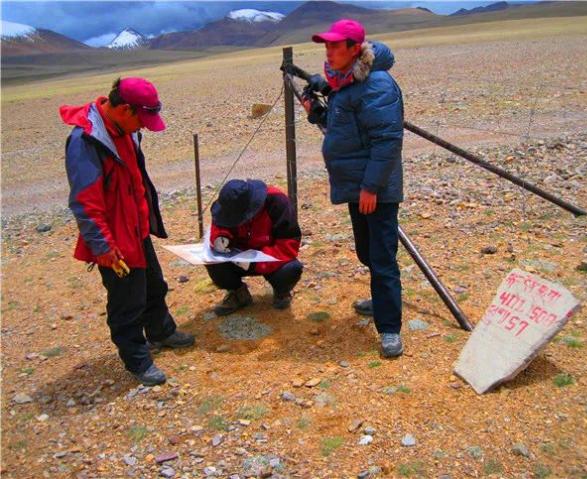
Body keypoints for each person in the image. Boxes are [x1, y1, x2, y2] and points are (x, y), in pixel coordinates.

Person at [60, 77, 194, 386]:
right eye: (142, 119)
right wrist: (102, 246)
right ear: (124, 109)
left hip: (137, 229)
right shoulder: (86, 141)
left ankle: (161, 331)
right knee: (127, 302)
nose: (144, 126)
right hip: (115, 241)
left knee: (154, 286)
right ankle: (137, 360)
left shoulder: (126, 129)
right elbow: (85, 202)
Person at [305, 19, 405, 357]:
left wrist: (372, 187)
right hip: (357, 185)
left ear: (354, 48)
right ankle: (381, 298)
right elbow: (345, 130)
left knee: (382, 257)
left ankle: (389, 328)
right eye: (326, 45)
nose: (328, 51)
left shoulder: (376, 85)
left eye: (335, 45)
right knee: (366, 251)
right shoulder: (345, 82)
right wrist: (317, 113)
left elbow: (387, 140)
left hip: (375, 188)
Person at [206, 179, 303, 315]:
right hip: (237, 258)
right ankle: (238, 293)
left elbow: (288, 245)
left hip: (270, 257)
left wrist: (255, 263)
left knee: (291, 269)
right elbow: (218, 226)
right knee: (213, 261)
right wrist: (221, 237)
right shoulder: (227, 205)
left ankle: (282, 292)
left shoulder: (277, 202)